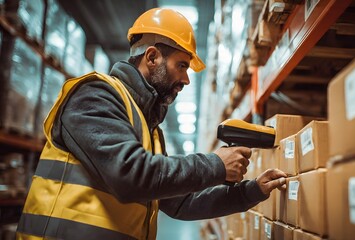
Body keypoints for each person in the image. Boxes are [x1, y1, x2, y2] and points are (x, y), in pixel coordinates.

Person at [16, 8, 287, 240]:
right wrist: (215, 164)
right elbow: (130, 174)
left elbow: (181, 203)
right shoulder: (95, 96)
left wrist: (252, 191)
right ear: (152, 57)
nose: (186, 79)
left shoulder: (149, 128)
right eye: (181, 66)